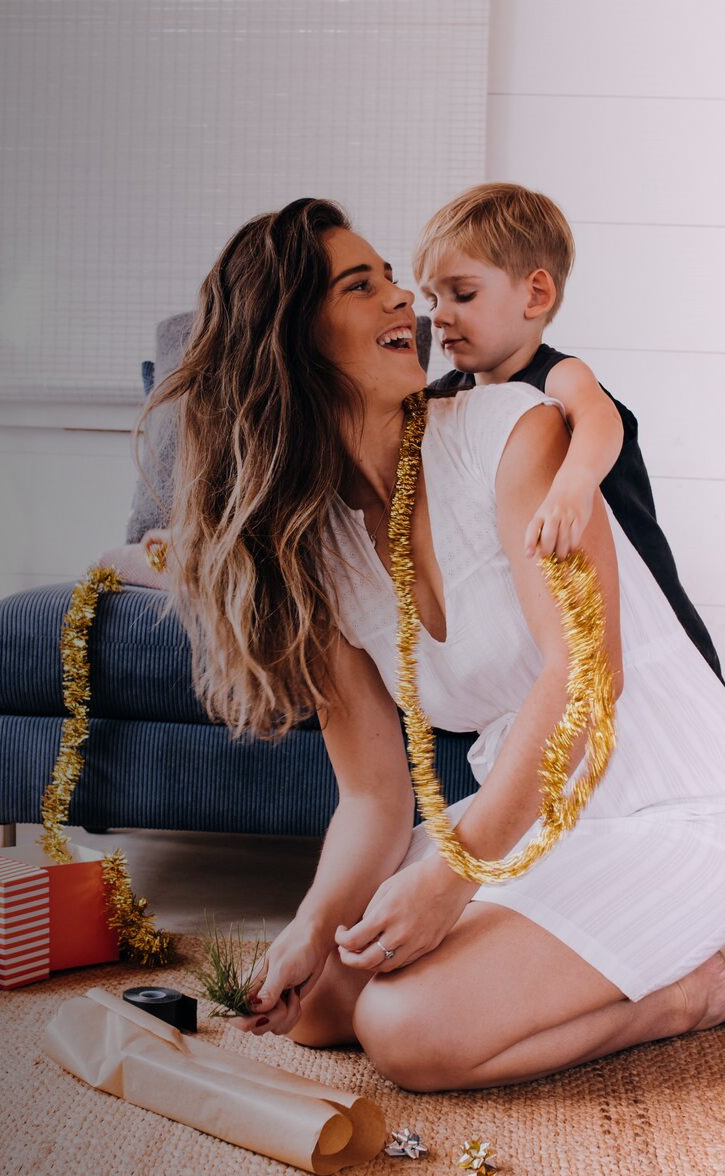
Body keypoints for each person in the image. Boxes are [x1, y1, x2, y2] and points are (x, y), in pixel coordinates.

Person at [149, 197, 725, 1091]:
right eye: (360, 285)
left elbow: (587, 677)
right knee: (326, 1002)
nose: (403, 304)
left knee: (406, 1030)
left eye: (391, 280)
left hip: (666, 792)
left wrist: (456, 875)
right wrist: (309, 922)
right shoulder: (318, 551)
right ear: (290, 339)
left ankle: (691, 995)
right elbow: (375, 796)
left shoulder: (510, 432)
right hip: (537, 804)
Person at [415, 181, 720, 679]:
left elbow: (601, 419)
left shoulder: (557, 374)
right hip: (560, 621)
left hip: (644, 611)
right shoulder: (448, 397)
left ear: (535, 294)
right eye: (432, 299)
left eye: (463, 294)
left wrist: (571, 487)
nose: (441, 315)